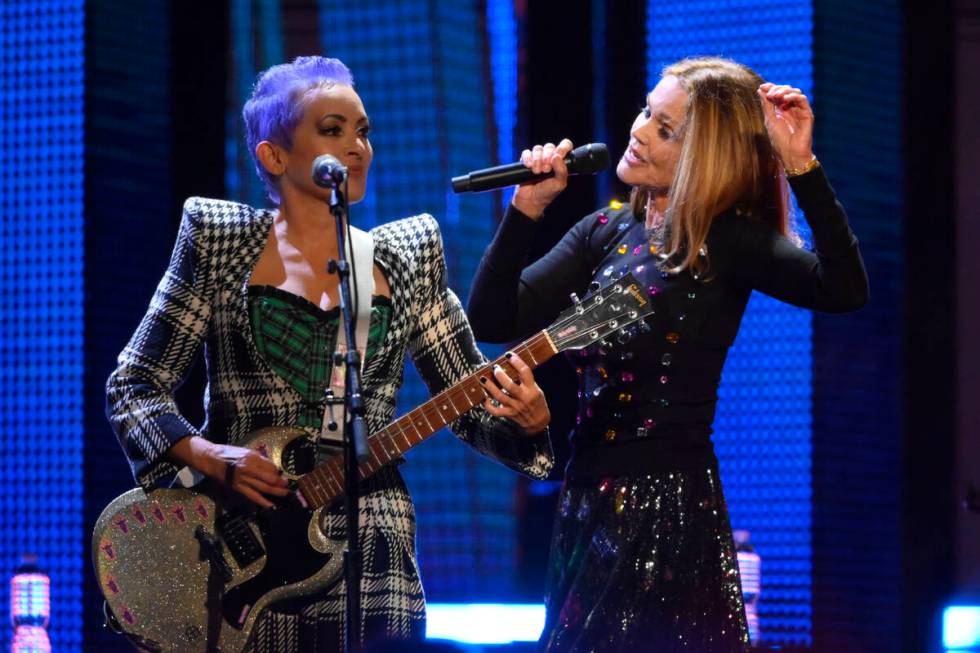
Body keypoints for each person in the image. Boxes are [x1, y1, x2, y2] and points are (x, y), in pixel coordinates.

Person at [105, 55, 553, 652]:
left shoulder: (408, 255)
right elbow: (133, 387)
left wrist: (526, 421)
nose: (356, 147)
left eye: (362, 130)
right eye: (333, 130)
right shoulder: (220, 241)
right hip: (246, 561)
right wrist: (214, 456)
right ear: (274, 156)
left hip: (374, 549)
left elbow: (468, 400)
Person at [467, 56, 869, 652]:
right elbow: (493, 318)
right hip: (586, 499)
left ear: (706, 156)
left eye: (665, 128)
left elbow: (844, 289)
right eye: (645, 113)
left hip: (668, 505)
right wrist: (526, 210)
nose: (638, 130)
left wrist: (801, 166)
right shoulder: (603, 229)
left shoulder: (728, 240)